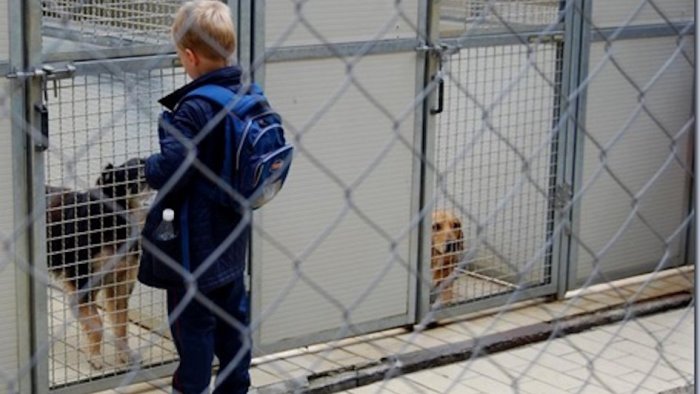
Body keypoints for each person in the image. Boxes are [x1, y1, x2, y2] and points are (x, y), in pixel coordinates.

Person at [138, 1, 251, 393]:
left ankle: (191, 388)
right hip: (233, 234)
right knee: (234, 316)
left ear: (189, 56)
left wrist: (147, 167)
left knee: (194, 325)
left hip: (194, 244)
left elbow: (172, 170)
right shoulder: (245, 93)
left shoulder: (192, 108)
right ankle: (236, 385)